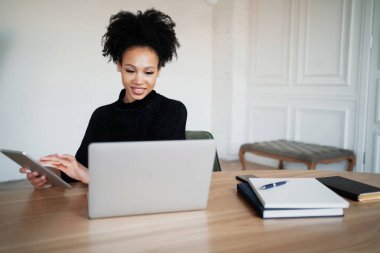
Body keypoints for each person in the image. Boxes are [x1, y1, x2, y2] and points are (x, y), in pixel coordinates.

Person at [19, 9, 187, 189]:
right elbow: (81, 170)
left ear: (159, 70)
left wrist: (90, 177)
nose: (139, 80)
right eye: (130, 70)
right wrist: (51, 175)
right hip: (104, 205)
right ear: (119, 65)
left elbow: (162, 176)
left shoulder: (172, 110)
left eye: (148, 72)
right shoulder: (102, 115)